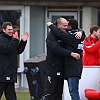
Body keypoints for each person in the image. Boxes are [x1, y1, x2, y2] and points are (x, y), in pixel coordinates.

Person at [43, 18, 84, 100]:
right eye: (64, 25)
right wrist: (71, 54)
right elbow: (56, 48)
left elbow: (61, 34)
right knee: (50, 92)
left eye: (67, 25)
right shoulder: (53, 35)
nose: (66, 27)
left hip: (66, 67)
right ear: (58, 25)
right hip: (53, 68)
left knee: (64, 92)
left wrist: (81, 32)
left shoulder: (69, 35)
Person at [0, 21, 29, 100]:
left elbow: (18, 51)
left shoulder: (12, 40)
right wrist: (15, 40)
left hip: (10, 73)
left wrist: (23, 41)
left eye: (12, 29)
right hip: (2, 74)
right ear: (3, 30)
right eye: (9, 29)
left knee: (11, 97)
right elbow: (7, 50)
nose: (11, 31)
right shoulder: (1, 40)